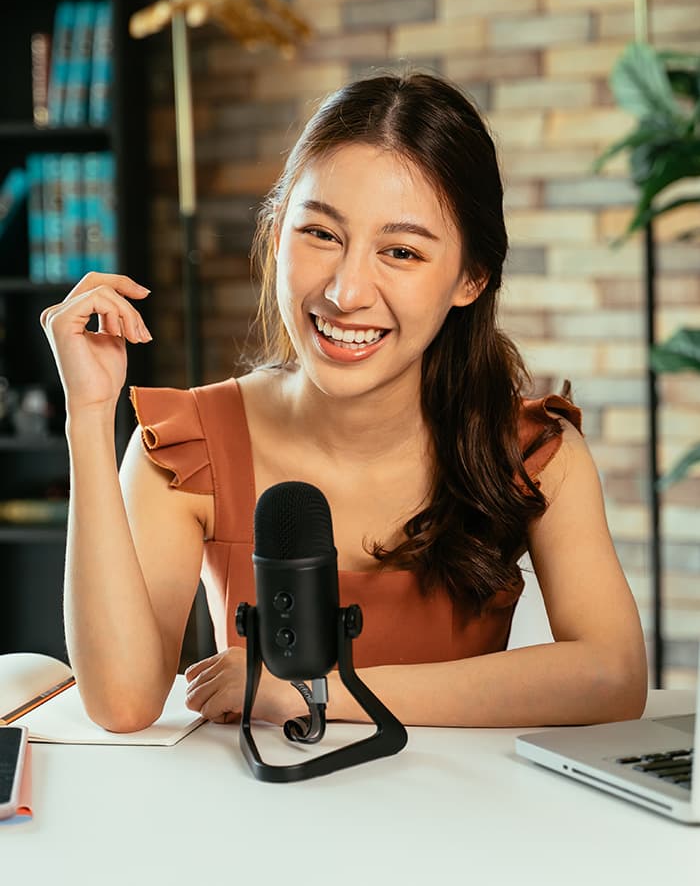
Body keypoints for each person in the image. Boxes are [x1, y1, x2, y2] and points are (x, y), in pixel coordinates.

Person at [40, 70, 647, 733]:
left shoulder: (532, 452)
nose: (347, 290)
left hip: (468, 823)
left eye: (401, 251)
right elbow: (123, 703)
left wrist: (316, 691)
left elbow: (611, 676)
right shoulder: (187, 446)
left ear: (471, 278)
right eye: (321, 235)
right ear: (277, 239)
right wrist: (90, 417)